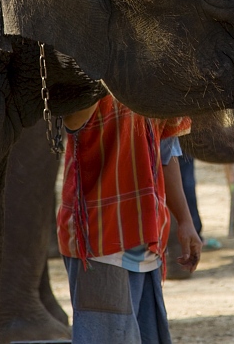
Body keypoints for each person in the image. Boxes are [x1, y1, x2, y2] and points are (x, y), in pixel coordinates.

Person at [58, 96, 202, 344]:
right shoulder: (91, 85)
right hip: (99, 238)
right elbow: (73, 120)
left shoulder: (159, 85)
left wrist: (186, 221)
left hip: (147, 238)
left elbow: (167, 152)